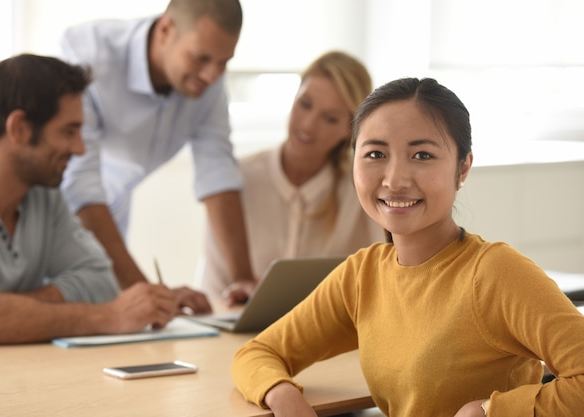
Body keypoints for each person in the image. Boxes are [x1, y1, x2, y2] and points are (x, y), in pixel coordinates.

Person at [231, 77, 584, 416]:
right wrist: (282, 395)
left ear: (463, 168)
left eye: (422, 156)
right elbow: (258, 352)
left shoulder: (494, 273)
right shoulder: (362, 275)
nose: (395, 179)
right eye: (375, 154)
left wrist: (491, 411)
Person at [0, 54, 183, 346]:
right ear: (19, 128)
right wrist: (107, 317)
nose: (78, 149)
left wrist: (7, 308)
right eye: (69, 131)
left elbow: (100, 281)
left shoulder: (44, 195)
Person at [57, 0, 255, 309]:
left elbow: (217, 170)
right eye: (201, 58)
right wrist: (151, 297)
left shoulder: (207, 81)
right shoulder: (89, 55)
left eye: (224, 62)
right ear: (165, 29)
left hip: (110, 225)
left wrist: (243, 279)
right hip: (55, 224)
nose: (212, 75)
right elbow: (80, 186)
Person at [198, 51, 385, 304]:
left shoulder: (362, 189)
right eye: (305, 104)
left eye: (329, 118)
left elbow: (387, 276)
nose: (308, 125)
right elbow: (214, 287)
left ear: (349, 130)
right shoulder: (237, 180)